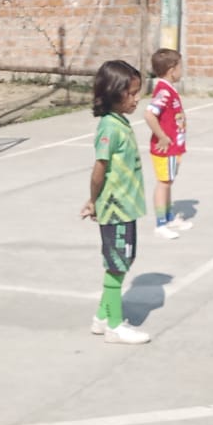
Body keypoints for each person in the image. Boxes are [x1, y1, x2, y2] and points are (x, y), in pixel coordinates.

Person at [80, 60, 152, 345]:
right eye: (131, 93)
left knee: (122, 259)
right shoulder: (109, 128)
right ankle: (114, 325)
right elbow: (99, 169)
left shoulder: (120, 122)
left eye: (137, 92)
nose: (136, 99)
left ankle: (102, 316)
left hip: (125, 206)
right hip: (116, 208)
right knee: (117, 264)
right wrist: (93, 200)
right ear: (112, 93)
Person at [144, 48, 193, 239]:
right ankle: (160, 223)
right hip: (165, 148)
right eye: (180, 67)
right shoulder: (164, 91)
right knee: (163, 183)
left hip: (174, 148)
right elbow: (149, 114)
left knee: (168, 182)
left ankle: (169, 217)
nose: (182, 71)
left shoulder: (169, 89)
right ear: (172, 70)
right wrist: (162, 136)